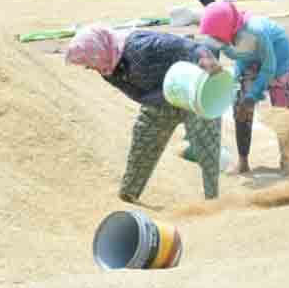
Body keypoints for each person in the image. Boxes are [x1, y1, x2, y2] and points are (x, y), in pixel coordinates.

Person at [64, 26, 224, 203]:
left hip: (196, 91)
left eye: (89, 62)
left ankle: (213, 200)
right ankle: (129, 194)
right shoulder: (107, 68)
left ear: (98, 50)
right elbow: (137, 94)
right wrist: (161, 98)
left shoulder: (142, 45)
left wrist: (206, 58)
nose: (89, 67)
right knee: (143, 140)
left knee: (206, 145)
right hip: (160, 100)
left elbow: (189, 47)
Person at [199, 1, 289, 174]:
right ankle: (243, 162)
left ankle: (287, 158)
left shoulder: (255, 31)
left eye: (219, 38)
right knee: (239, 106)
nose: (217, 41)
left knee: (282, 106)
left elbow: (269, 66)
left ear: (228, 29)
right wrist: (237, 92)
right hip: (247, 61)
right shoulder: (215, 36)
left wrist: (253, 95)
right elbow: (214, 66)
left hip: (277, 58)